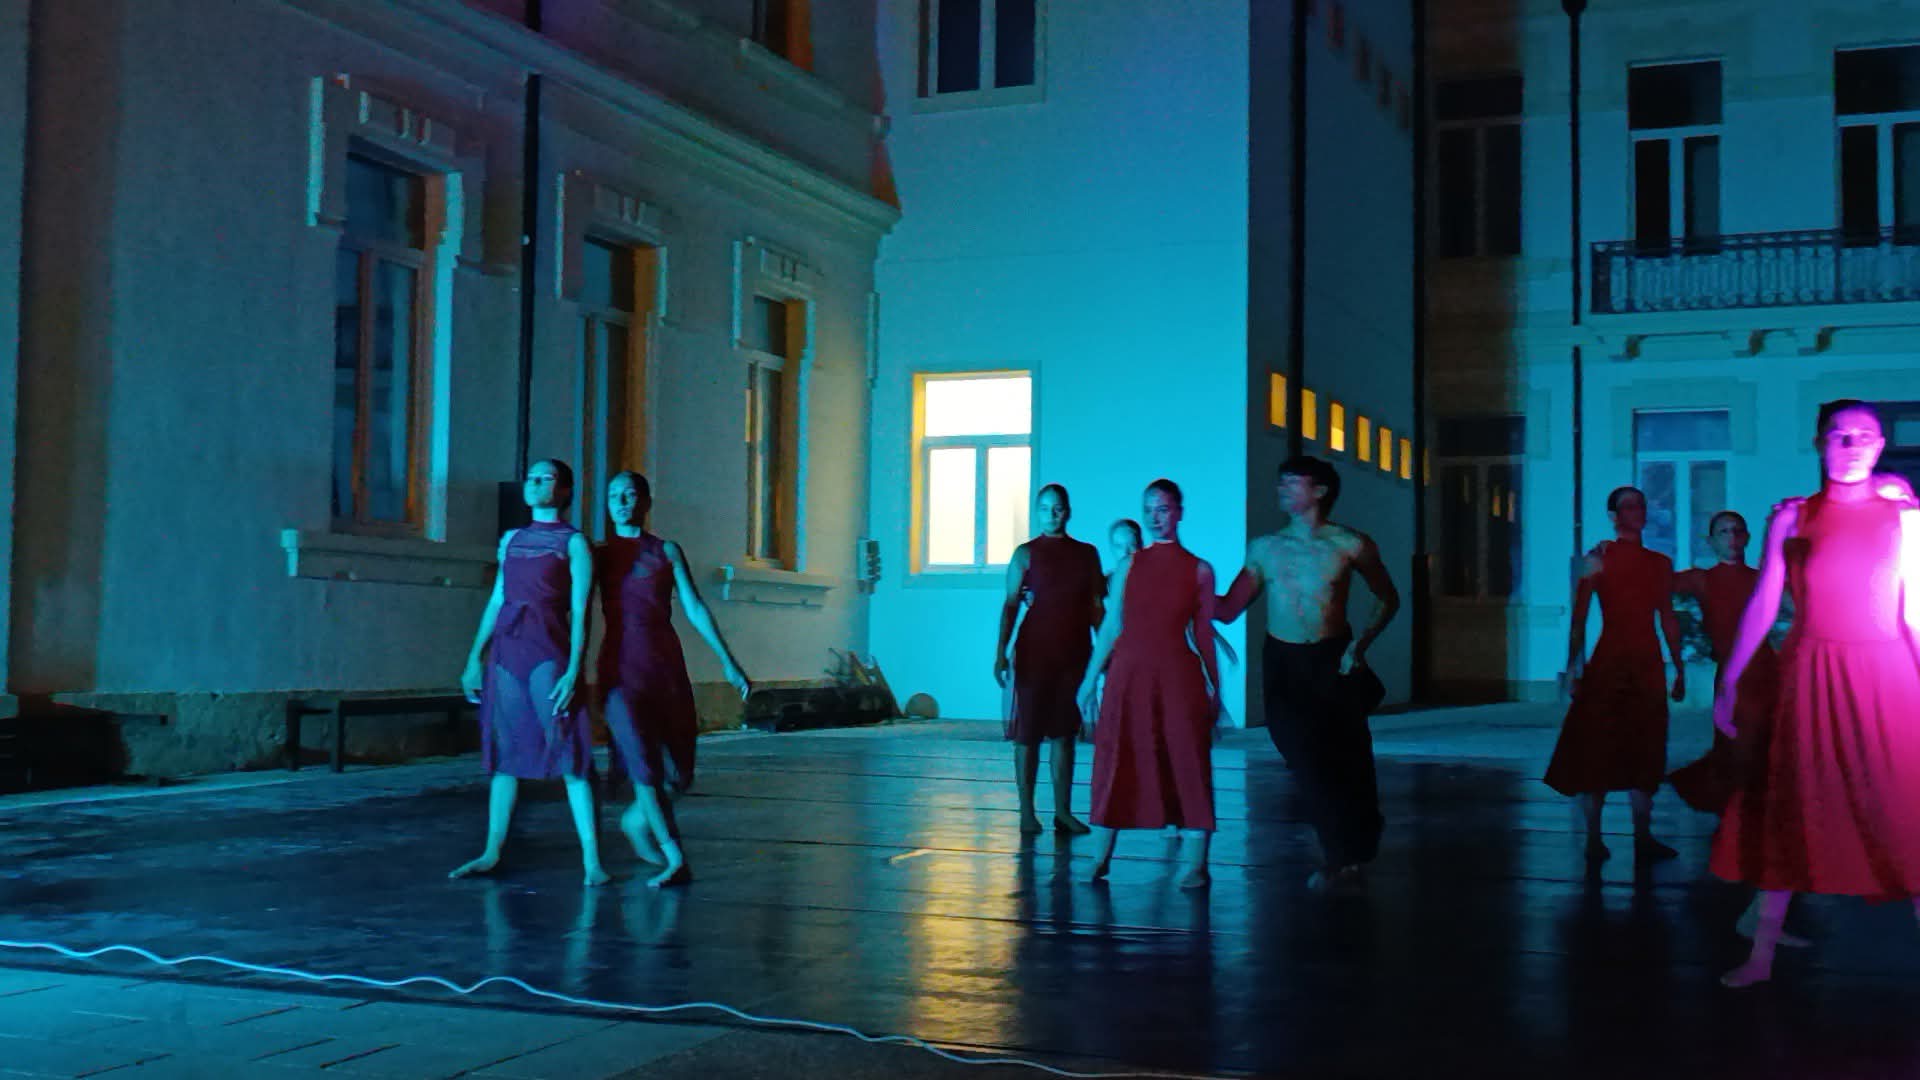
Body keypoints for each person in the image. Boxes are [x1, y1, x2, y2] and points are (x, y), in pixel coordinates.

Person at [1711, 400, 1920, 988]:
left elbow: (1914, 606)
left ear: (1881, 446)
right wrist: (1730, 678)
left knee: (1905, 805)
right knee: (1795, 802)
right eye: (1839, 435)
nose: (1851, 446)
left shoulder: (1905, 514)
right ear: (1819, 443)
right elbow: (1764, 602)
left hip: (1887, 673)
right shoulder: (1792, 517)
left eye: (1864, 436)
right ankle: (1761, 956)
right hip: (1813, 673)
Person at [1214, 456, 1399, 892]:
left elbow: (1388, 598)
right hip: (1284, 664)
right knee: (1306, 758)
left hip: (1333, 659)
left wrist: (1360, 644)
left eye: (1292, 483)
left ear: (1319, 491)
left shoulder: (1350, 544)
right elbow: (1228, 609)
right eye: (1281, 482)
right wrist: (1184, 583)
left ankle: (1352, 846)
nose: (1281, 489)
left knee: (1349, 759)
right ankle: (1340, 853)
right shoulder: (1265, 548)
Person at [453, 460, 609, 886]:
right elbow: (498, 599)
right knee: (506, 753)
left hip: (548, 648)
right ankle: (491, 851)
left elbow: (581, 610)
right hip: (508, 649)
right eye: (531, 477)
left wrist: (575, 668)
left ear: (565, 489)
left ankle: (592, 861)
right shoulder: (512, 539)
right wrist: (473, 657)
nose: (535, 483)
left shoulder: (574, 543)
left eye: (546, 478)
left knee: (569, 749)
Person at [596, 471, 752, 888]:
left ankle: (636, 820)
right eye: (613, 496)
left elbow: (695, 607)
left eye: (630, 494)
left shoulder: (666, 551)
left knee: (678, 772)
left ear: (646, 502)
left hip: (663, 665)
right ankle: (675, 856)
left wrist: (728, 661)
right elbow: (568, 601)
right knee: (642, 761)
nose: (621, 502)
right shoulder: (599, 555)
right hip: (619, 668)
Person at [1076, 480, 1222, 889]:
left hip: (1176, 676)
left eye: (1163, 509)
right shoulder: (1129, 566)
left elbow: (1203, 635)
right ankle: (1099, 856)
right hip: (1128, 676)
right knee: (1115, 757)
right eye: (1149, 510)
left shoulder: (1199, 570)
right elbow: (1111, 626)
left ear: (1179, 512)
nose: (1155, 517)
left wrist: (1216, 691)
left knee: (1188, 759)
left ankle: (1196, 863)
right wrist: (1089, 679)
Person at [1546, 486, 1686, 862]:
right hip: (1611, 661)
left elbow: (1667, 616)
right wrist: (1573, 667)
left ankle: (1642, 835)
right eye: (1629, 506)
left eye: (1641, 505)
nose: (1638, 511)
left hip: (1645, 662)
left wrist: (1679, 665)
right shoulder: (1599, 559)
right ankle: (1594, 837)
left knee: (1647, 745)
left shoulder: (1658, 563)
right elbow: (1579, 618)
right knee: (1599, 745)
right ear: (1614, 515)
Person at [994, 484, 1104, 835]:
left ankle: (1062, 812)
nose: (1052, 514)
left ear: (1067, 511)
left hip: (1073, 654)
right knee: (1027, 734)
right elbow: (1011, 604)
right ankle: (1027, 811)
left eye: (1057, 508)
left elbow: (1096, 607)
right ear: (1037, 512)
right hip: (1034, 654)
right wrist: (1000, 652)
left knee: (1064, 734)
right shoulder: (1025, 554)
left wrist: (1107, 652)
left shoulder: (1086, 554)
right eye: (1045, 508)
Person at [1666, 511, 1777, 815]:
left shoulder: (1760, 578)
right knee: (1735, 742)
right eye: (1724, 532)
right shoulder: (1702, 579)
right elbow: (1655, 582)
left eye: (1737, 531)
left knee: (1760, 741)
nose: (1732, 538)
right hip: (1730, 671)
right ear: (1711, 541)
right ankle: (1739, 811)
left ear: (1747, 537)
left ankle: (1754, 810)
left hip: (1763, 670)